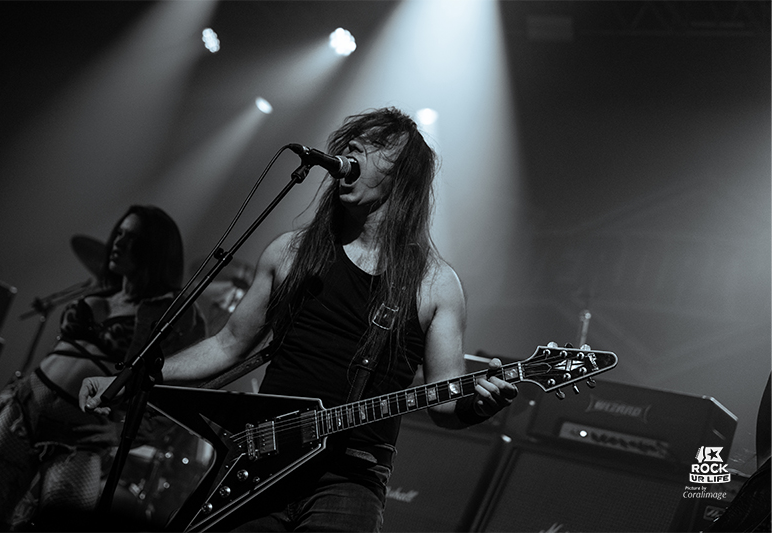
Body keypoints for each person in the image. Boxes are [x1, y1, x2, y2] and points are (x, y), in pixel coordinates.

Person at [80, 108, 518, 532]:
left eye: (372, 145)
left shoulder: (435, 284)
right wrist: (128, 379)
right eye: (351, 142)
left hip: (349, 479)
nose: (351, 149)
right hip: (263, 463)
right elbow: (227, 344)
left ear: (403, 175)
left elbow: (444, 403)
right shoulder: (290, 253)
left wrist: (478, 405)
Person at [0, 205, 206, 531]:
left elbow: (184, 389)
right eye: (119, 233)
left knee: (63, 525)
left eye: (132, 238)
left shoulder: (176, 313)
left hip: (80, 435)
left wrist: (125, 432)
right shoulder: (101, 291)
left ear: (155, 250)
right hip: (23, 408)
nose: (118, 243)